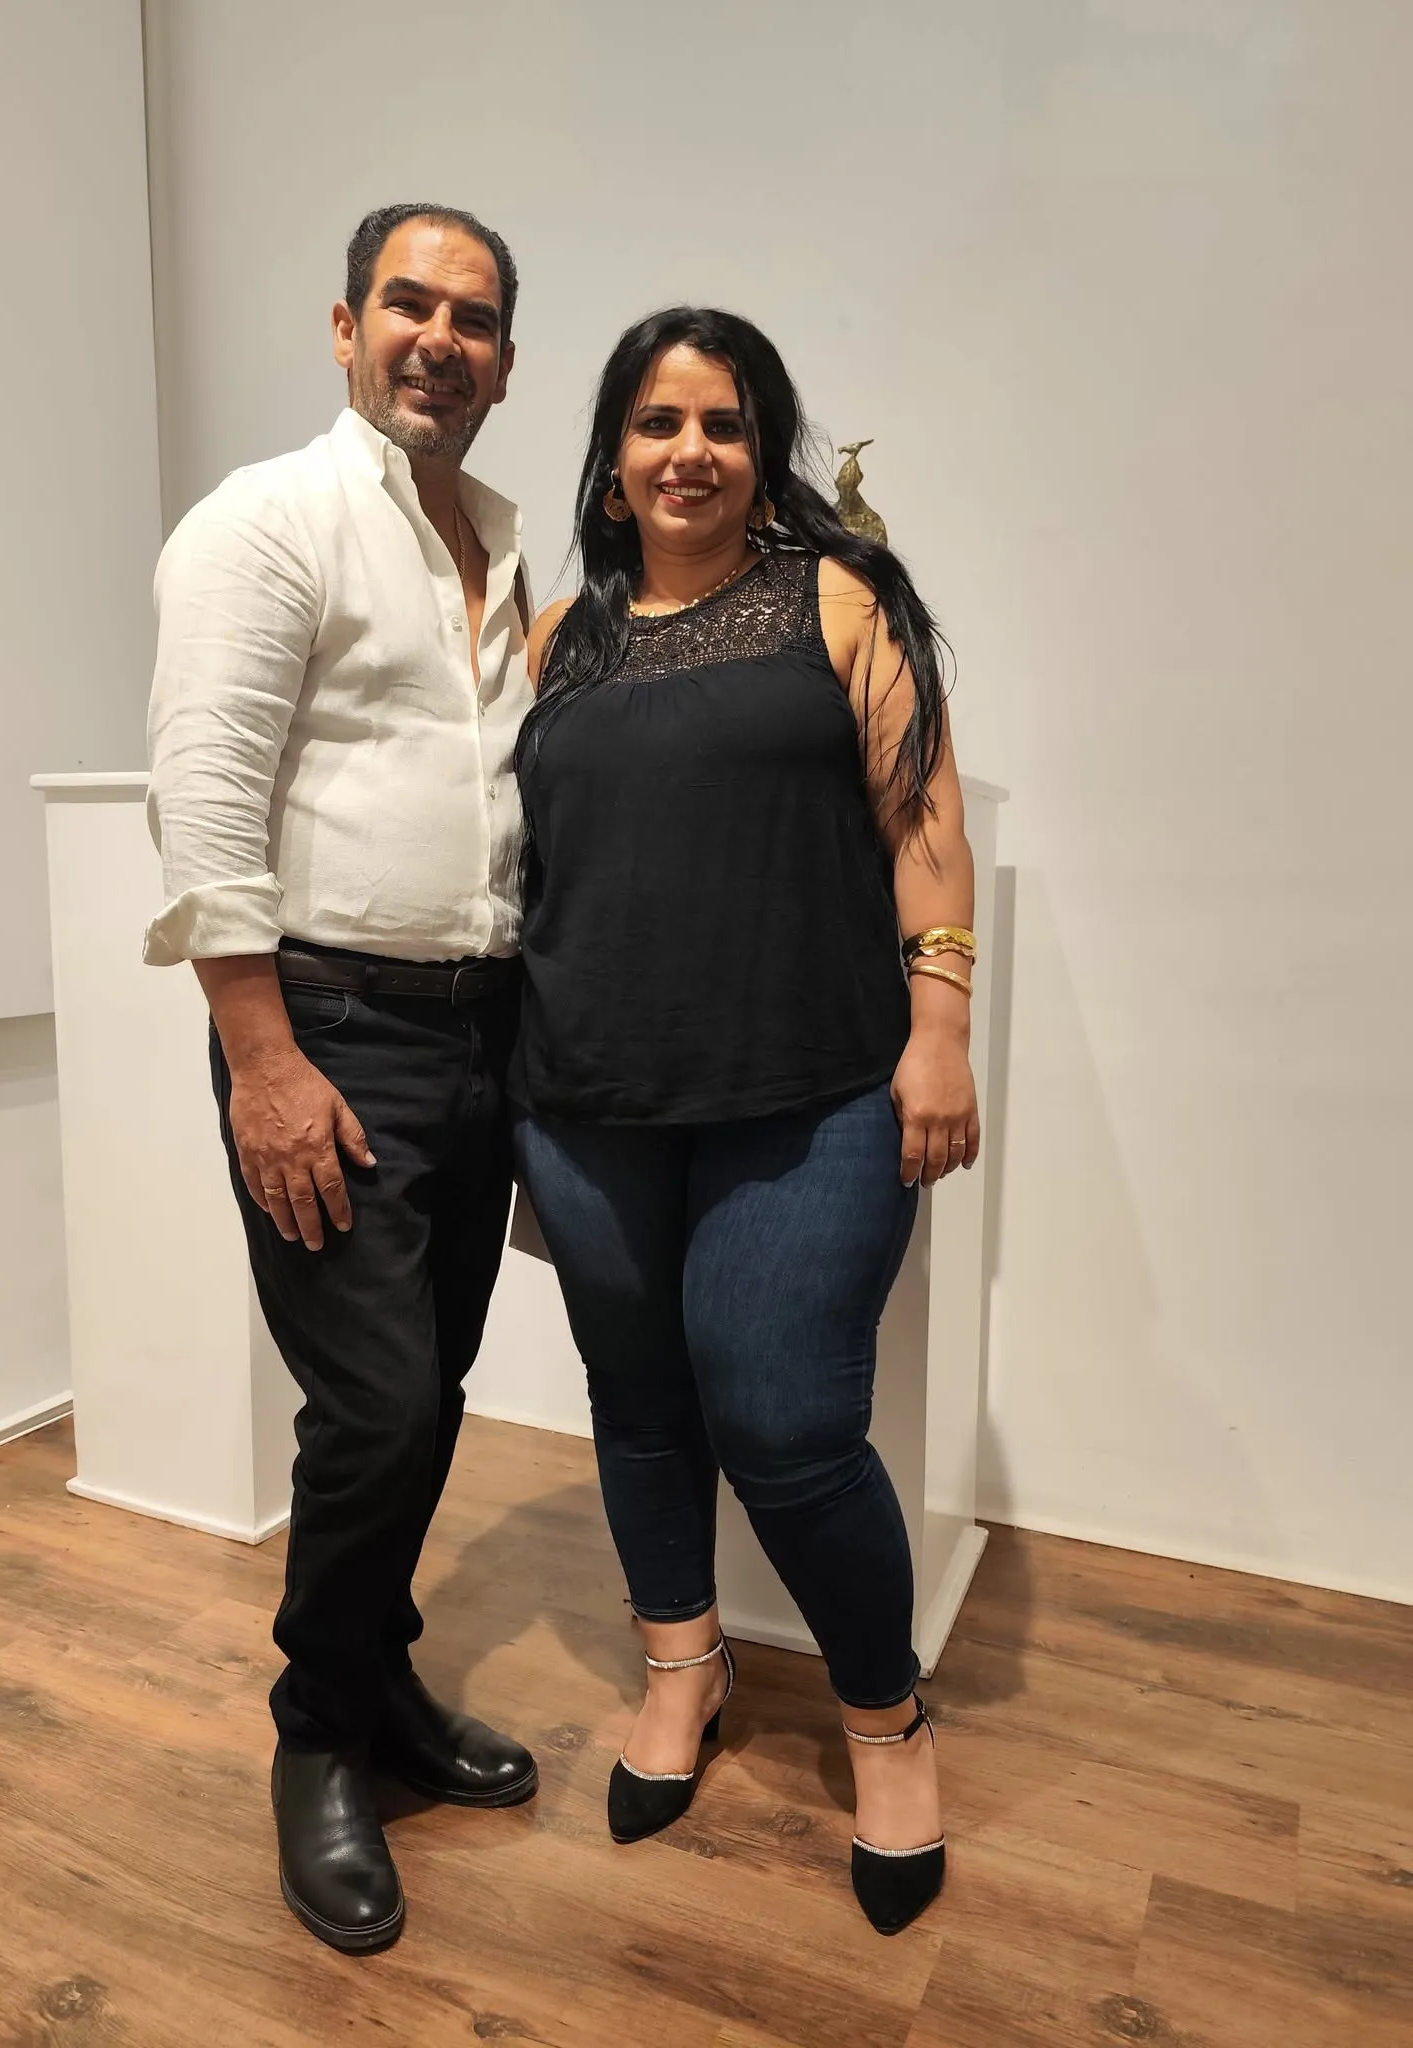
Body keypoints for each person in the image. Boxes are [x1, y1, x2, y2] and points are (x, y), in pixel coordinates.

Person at [511, 308, 978, 1937]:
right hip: (588, 1097)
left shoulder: (839, 600)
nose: (689, 451)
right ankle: (681, 1667)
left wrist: (941, 1027)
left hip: (817, 1087)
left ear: (763, 449)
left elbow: (923, 815)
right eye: (658, 422)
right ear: (614, 457)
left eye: (721, 422)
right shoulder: (558, 639)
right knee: (640, 1403)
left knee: (785, 1423)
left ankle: (885, 1722)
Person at [144, 203, 537, 1956]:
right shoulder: (268, 520)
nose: (439, 338)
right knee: (372, 1405)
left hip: (482, 1029)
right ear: (344, 326)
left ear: (505, 362)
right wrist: (263, 1059)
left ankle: (379, 1688)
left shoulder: (501, 546)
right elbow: (207, 799)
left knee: (431, 1387)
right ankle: (316, 1734)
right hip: (331, 1026)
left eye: (475, 318)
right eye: (408, 303)